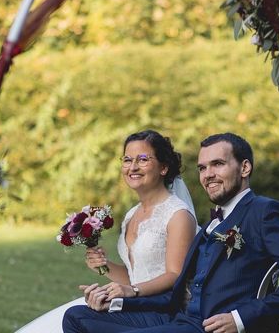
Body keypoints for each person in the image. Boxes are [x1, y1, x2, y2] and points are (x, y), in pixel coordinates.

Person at [62, 132, 279, 333]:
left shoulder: (264, 211)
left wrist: (239, 319)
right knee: (76, 318)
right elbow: (178, 295)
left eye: (218, 164)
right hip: (184, 321)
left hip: (211, 327)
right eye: (202, 168)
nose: (208, 174)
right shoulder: (214, 221)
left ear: (245, 167)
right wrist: (119, 300)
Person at [15, 130, 197, 333]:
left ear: (163, 167)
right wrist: (104, 267)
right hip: (137, 303)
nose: (133, 167)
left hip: (163, 311)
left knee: (76, 318)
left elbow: (175, 274)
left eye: (143, 159)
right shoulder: (131, 215)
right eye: (127, 160)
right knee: (77, 316)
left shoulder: (178, 215)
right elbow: (134, 277)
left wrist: (131, 291)